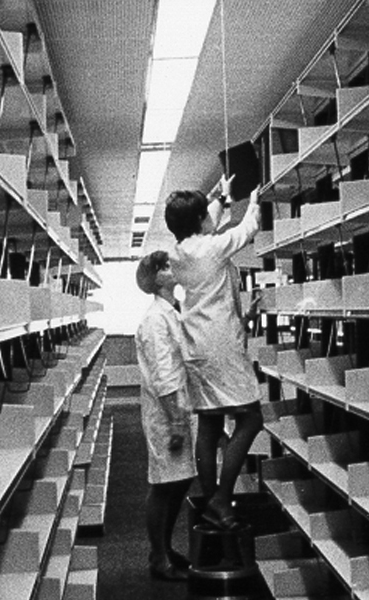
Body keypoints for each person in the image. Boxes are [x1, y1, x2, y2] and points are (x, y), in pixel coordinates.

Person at [164, 176, 263, 529]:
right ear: (198, 220)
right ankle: (222, 496)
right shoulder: (212, 248)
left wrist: (219, 197)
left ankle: (211, 503)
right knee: (252, 419)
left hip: (196, 348)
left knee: (209, 424)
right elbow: (247, 229)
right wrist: (254, 201)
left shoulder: (178, 252)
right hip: (220, 345)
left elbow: (206, 226)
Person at [133, 250, 196, 581]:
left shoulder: (174, 310)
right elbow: (163, 373)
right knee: (163, 484)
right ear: (156, 277)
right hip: (166, 412)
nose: (175, 269)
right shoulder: (156, 320)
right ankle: (159, 557)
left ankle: (165, 548)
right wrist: (175, 421)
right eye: (167, 266)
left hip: (179, 409)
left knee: (180, 480)